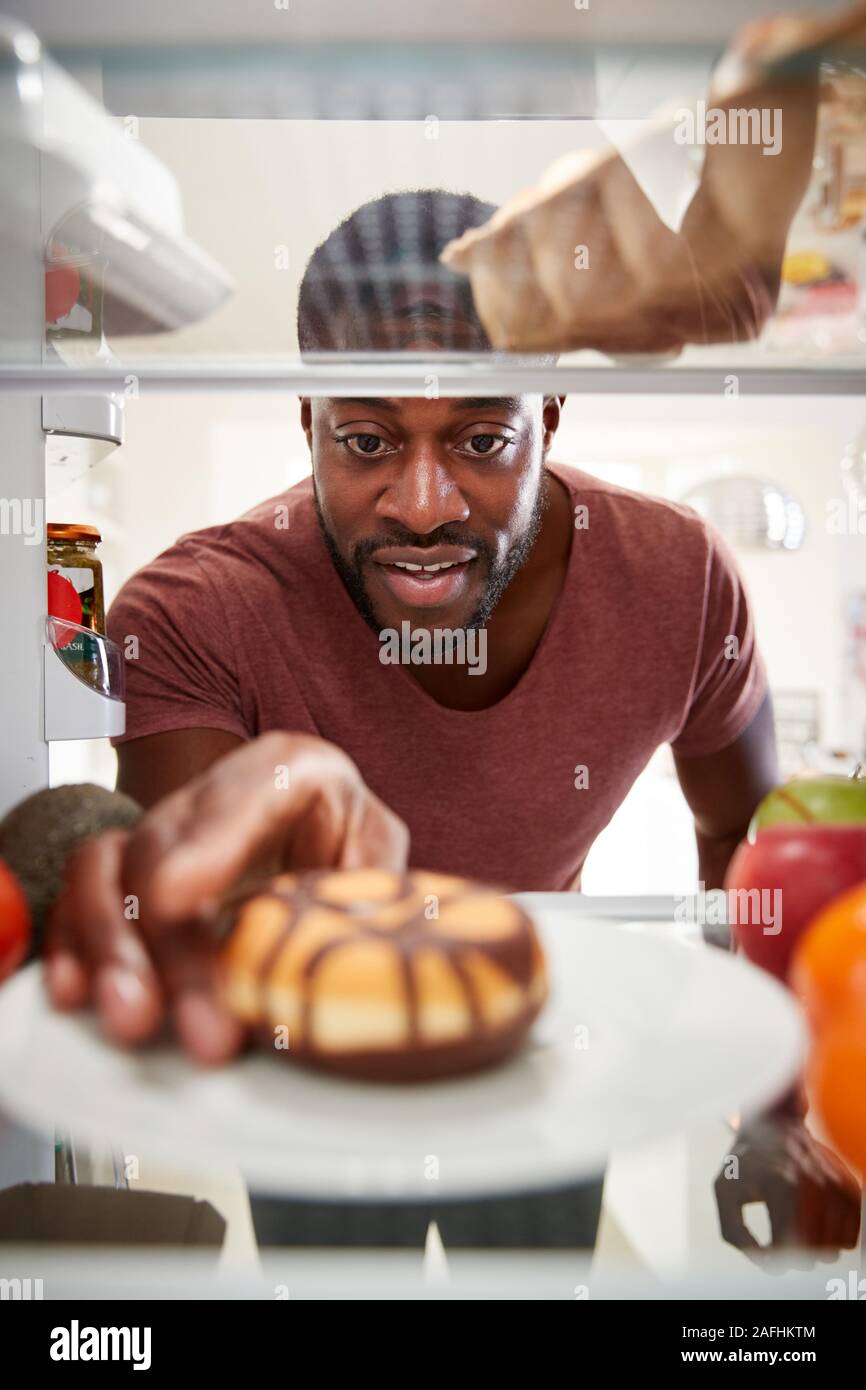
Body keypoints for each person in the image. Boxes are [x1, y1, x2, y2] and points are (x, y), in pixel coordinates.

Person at [43, 182, 858, 1257]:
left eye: (480, 439)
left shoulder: (677, 580)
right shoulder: (200, 612)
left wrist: (763, 1114)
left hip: (546, 1057)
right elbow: (185, 923)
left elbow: (748, 855)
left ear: (549, 416)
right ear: (308, 422)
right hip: (314, 1070)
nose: (422, 505)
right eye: (369, 441)